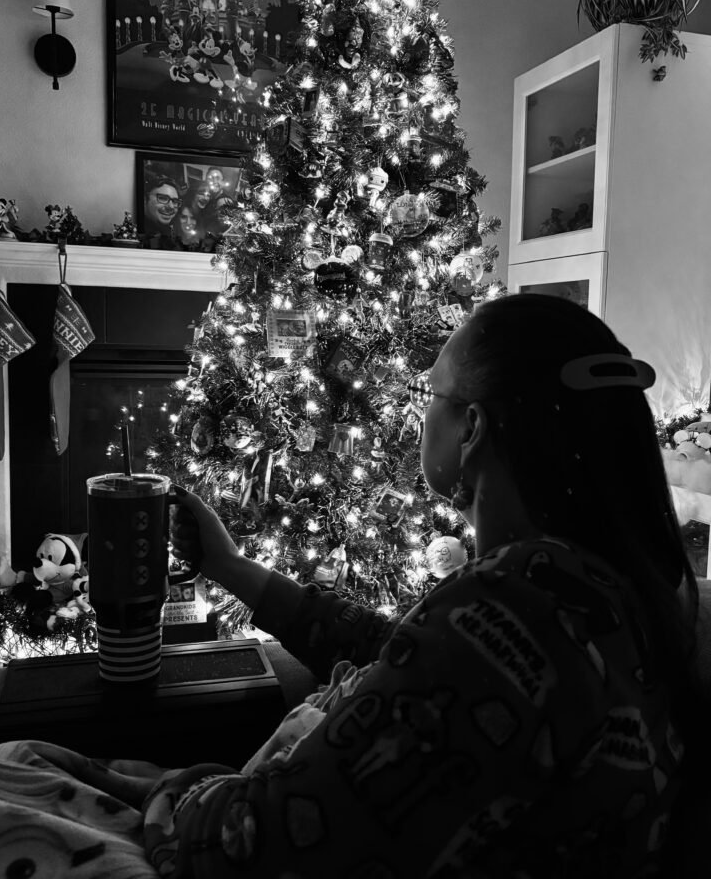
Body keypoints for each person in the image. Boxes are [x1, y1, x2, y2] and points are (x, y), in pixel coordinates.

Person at [152, 293, 702, 876]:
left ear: (471, 428)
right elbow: (400, 656)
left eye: (429, 394)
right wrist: (235, 568)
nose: (421, 413)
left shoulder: (510, 602)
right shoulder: (598, 586)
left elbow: (248, 844)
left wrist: (175, 790)